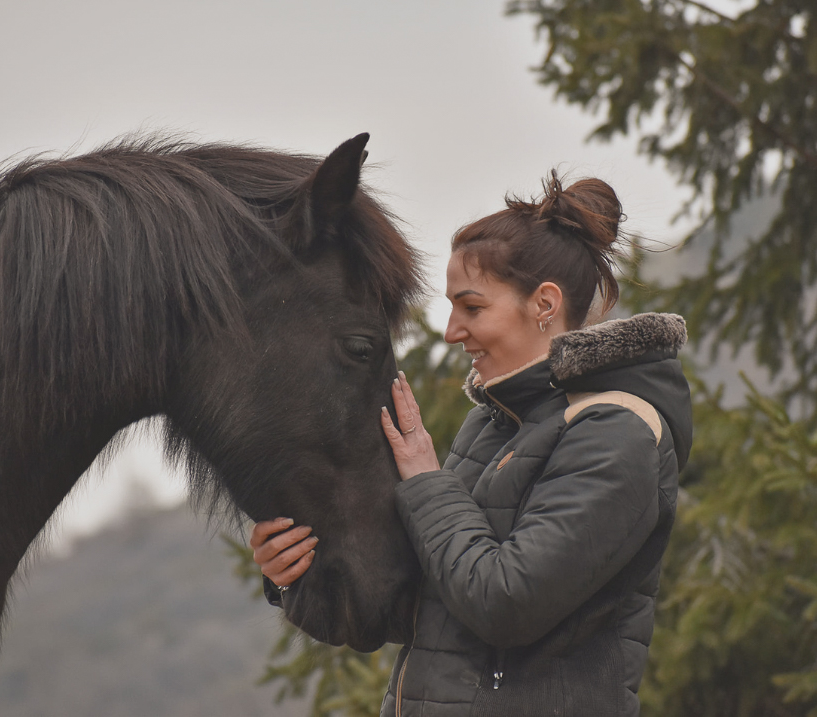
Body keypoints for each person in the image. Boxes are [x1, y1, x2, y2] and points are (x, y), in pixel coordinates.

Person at [250, 171, 692, 716]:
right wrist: (297, 573)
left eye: (472, 307)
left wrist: (428, 480)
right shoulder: (492, 425)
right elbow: (406, 608)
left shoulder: (618, 431)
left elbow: (506, 603)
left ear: (544, 304)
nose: (451, 330)